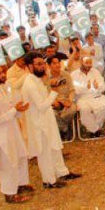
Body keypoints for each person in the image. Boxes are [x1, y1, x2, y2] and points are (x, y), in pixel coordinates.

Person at [21, 52, 81, 188]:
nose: (42, 67)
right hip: (39, 124)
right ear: (29, 66)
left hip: (47, 120)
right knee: (45, 152)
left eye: (42, 64)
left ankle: (62, 172)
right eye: (38, 64)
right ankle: (49, 181)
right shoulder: (29, 84)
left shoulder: (37, 80)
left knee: (54, 147)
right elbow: (41, 106)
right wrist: (54, 91)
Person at [0, 65, 33, 203]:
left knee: (21, 156)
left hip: (12, 130)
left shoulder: (0, 90)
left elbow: (8, 108)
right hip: (0, 136)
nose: (4, 75)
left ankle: (20, 184)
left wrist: (18, 109)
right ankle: (9, 194)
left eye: (3, 72)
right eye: (0, 74)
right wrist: (13, 111)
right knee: (8, 164)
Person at [72, 56, 105, 137]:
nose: (89, 65)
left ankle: (96, 128)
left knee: (104, 106)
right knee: (85, 109)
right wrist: (85, 86)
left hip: (96, 96)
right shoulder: (74, 74)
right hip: (82, 98)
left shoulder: (95, 72)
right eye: (86, 63)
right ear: (81, 63)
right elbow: (75, 90)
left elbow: (103, 86)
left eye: (90, 63)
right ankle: (95, 130)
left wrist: (97, 86)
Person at [47, 55, 77, 140]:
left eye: (58, 63)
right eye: (54, 63)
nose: (57, 65)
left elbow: (72, 90)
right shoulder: (45, 78)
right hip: (53, 102)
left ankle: (61, 130)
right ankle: (65, 129)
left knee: (72, 110)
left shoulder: (66, 75)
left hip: (66, 101)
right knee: (52, 114)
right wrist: (54, 102)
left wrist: (70, 100)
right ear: (49, 65)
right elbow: (46, 94)